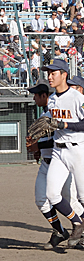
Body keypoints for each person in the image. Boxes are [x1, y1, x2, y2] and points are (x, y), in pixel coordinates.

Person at [26, 79, 84, 249]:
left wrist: (38, 145)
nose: (34, 98)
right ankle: (60, 231)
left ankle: (80, 231)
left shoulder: (68, 104)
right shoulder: (46, 114)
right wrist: (37, 150)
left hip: (68, 158)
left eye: (36, 95)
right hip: (49, 162)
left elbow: (58, 137)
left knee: (74, 200)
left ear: (44, 95)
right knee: (43, 199)